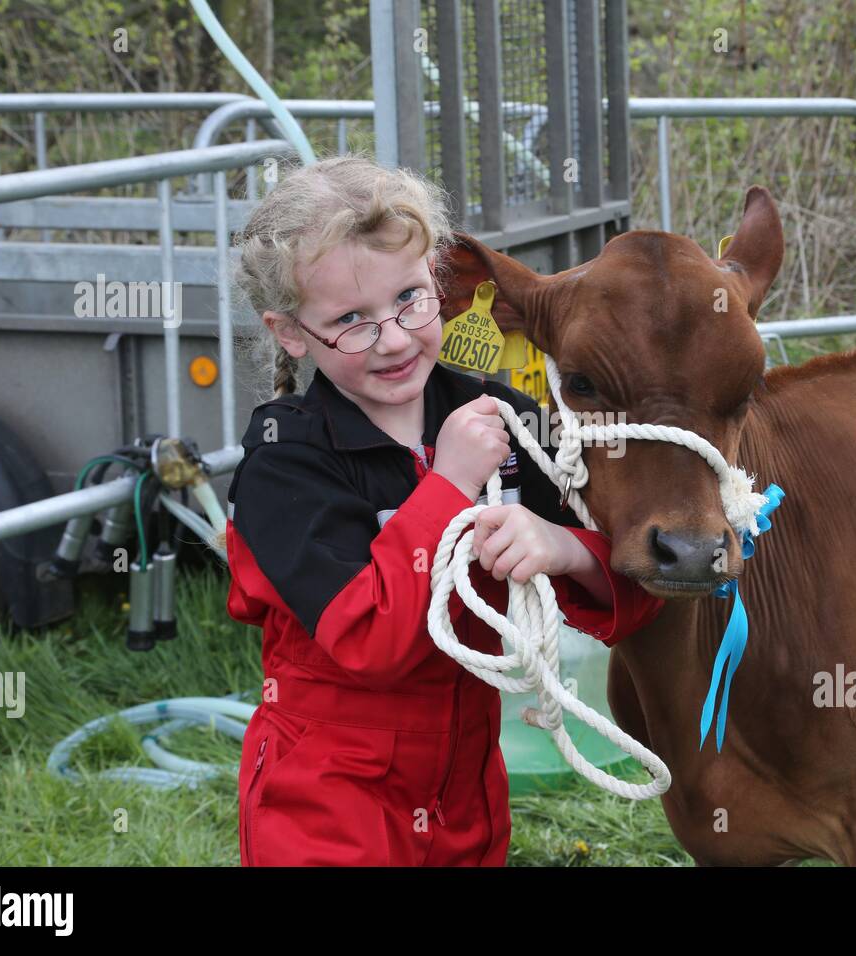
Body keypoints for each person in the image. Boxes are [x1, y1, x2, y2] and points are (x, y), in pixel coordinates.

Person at [223, 154, 666, 866]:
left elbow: (638, 588)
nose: (393, 339)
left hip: (465, 782)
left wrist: (564, 549)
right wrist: (450, 484)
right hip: (329, 792)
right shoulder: (285, 462)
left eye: (408, 299)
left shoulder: (506, 420)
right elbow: (368, 640)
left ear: (438, 278)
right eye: (350, 320)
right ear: (291, 332)